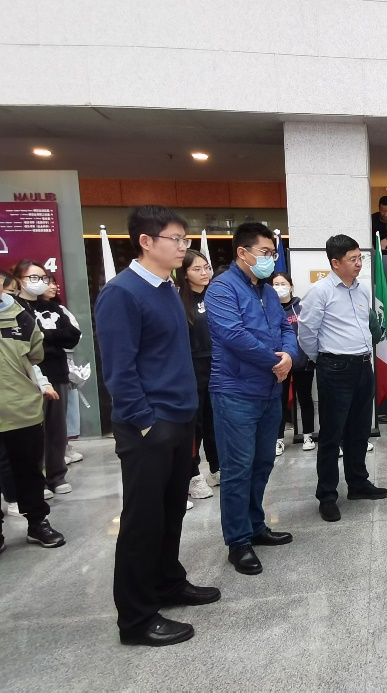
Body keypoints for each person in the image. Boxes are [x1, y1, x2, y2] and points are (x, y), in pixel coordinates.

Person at [95, 206, 220, 646]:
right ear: (146, 241)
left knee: (170, 512)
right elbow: (119, 370)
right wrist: (146, 422)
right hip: (148, 426)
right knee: (142, 521)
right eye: (176, 239)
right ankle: (136, 618)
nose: (184, 247)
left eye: (185, 239)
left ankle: (168, 582)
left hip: (180, 419)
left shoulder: (167, 288)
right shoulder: (121, 293)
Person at [205, 223, 297, 575]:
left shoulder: (268, 291)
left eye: (273, 253)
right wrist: (275, 361)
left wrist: (288, 357)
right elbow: (233, 335)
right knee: (237, 469)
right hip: (236, 391)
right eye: (265, 252)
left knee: (262, 463)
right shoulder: (221, 288)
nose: (271, 259)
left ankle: (256, 525)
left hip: (270, 390)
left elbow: (286, 328)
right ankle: (238, 541)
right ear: (242, 253)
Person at [298, 234, 387, 523]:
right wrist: (324, 360)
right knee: (331, 434)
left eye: (360, 258)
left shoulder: (362, 290)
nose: (359, 263)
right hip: (335, 368)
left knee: (359, 430)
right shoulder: (320, 292)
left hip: (363, 366)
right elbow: (306, 333)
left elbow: (365, 327)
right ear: (335, 263)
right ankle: (327, 495)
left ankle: (358, 483)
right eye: (353, 259)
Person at [0, 268, 66, 553]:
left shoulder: (20, 315)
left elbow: (35, 354)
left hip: (21, 407)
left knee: (28, 469)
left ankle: (37, 523)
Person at [11, 259, 81, 495]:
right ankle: (36, 480)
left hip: (57, 372)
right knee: (33, 431)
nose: (40, 282)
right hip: (28, 376)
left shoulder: (53, 307)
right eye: (33, 277)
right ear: (19, 280)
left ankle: (56, 476)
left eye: (43, 278)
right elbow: (24, 342)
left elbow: (72, 335)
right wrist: (50, 338)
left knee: (57, 428)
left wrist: (45, 336)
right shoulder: (14, 308)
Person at [175, 249, 220, 496]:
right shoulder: (177, 300)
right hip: (191, 366)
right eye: (197, 269)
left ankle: (216, 467)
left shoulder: (216, 295)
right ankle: (193, 475)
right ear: (184, 273)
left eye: (206, 267)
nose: (204, 273)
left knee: (216, 419)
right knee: (195, 424)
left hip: (217, 364)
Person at [269, 271, 317, 455]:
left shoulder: (301, 307)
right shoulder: (269, 308)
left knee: (305, 398)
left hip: (303, 362)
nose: (279, 287)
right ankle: (278, 439)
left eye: (283, 284)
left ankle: (308, 435)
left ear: (291, 286)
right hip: (279, 363)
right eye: (275, 284)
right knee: (279, 401)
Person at [42, 276, 84, 465]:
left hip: (63, 364)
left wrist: (49, 336)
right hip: (40, 367)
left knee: (65, 409)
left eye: (52, 282)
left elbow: (73, 334)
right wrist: (55, 338)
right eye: (47, 282)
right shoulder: (25, 310)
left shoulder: (59, 309)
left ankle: (63, 448)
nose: (53, 286)